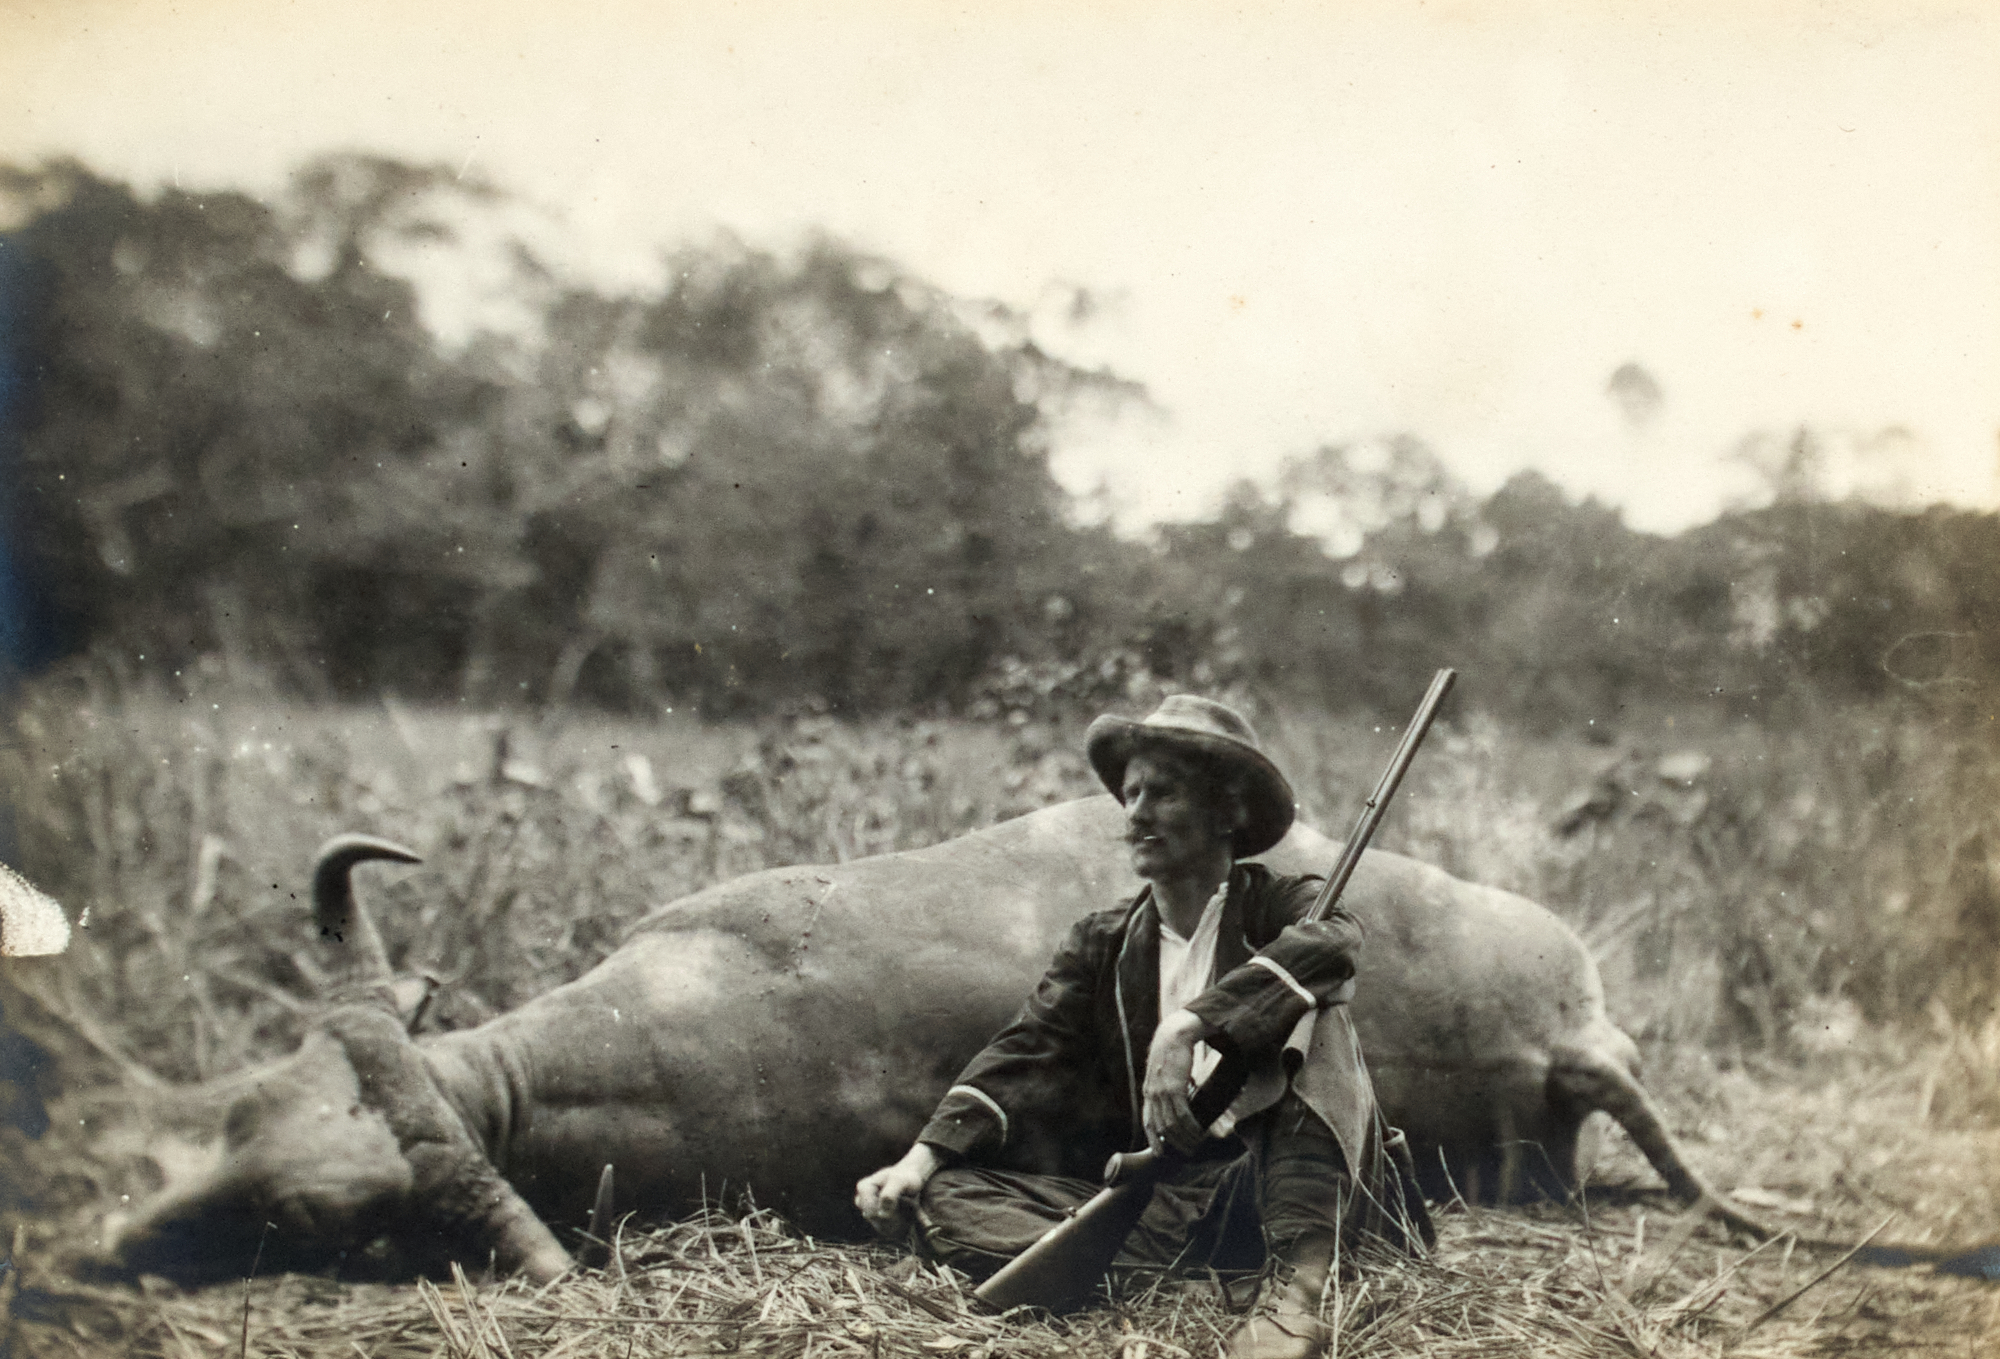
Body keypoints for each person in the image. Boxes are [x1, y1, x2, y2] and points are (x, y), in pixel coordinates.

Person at [855, 695, 1428, 1359]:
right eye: (1131, 794)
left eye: (1165, 791)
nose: (1138, 813)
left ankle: (1300, 1288)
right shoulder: (1101, 941)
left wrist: (1189, 1023)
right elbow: (1022, 1050)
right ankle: (1187, 1271)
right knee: (947, 1194)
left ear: (1228, 812)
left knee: (1315, 1013)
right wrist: (917, 1160)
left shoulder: (1283, 903)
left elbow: (1336, 944)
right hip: (1174, 1204)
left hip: (1292, 1185)